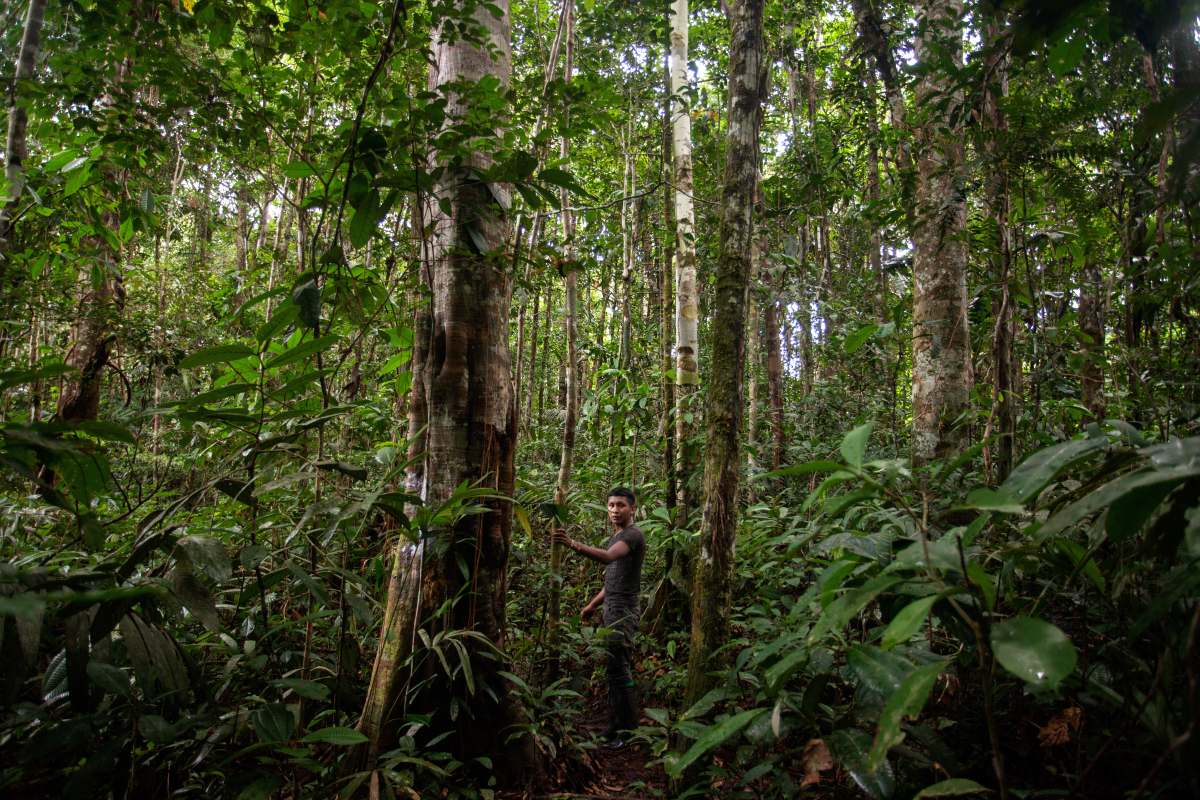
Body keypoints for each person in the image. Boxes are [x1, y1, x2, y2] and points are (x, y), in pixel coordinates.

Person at [552, 487, 646, 751]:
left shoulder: (633, 535)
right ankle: (615, 725)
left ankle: (629, 732)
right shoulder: (617, 536)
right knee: (613, 669)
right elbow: (613, 577)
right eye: (611, 506)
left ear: (632, 509)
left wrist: (573, 544)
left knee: (621, 670)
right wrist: (592, 604)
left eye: (621, 506)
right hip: (611, 609)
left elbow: (606, 559)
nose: (614, 510)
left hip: (624, 611)